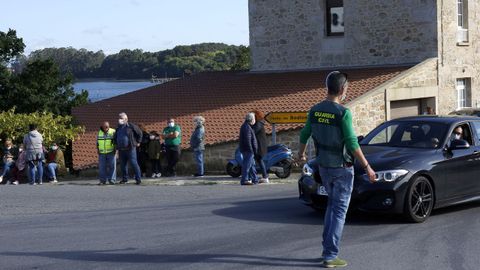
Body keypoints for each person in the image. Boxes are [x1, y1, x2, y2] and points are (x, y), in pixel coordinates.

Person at [298, 71, 376, 268]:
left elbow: (305, 133)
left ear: (328, 88)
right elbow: (351, 143)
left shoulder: (315, 110)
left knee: (331, 207)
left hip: (323, 166)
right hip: (342, 168)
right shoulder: (343, 113)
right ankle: (331, 255)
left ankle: (327, 249)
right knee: (339, 211)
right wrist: (367, 167)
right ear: (342, 90)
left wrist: (301, 154)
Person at [113, 112, 143, 185]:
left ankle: (138, 179)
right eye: (119, 118)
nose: (119, 119)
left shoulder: (131, 126)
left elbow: (140, 133)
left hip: (131, 149)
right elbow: (115, 137)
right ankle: (125, 179)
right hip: (121, 150)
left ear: (126, 119)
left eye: (121, 118)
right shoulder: (118, 128)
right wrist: (116, 146)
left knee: (134, 163)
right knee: (123, 165)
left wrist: (138, 142)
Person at [239, 112, 258, 185]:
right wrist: (252, 150)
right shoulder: (246, 127)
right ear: (251, 119)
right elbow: (248, 140)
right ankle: (244, 180)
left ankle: (255, 179)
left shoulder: (246, 126)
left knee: (252, 165)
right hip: (248, 150)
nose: (255, 120)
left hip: (248, 150)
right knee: (247, 165)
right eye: (254, 118)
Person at [252, 110, 269, 184]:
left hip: (260, 145)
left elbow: (254, 131)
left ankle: (265, 177)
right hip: (260, 145)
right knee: (259, 160)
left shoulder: (259, 123)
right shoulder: (260, 123)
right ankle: (264, 176)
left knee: (259, 160)